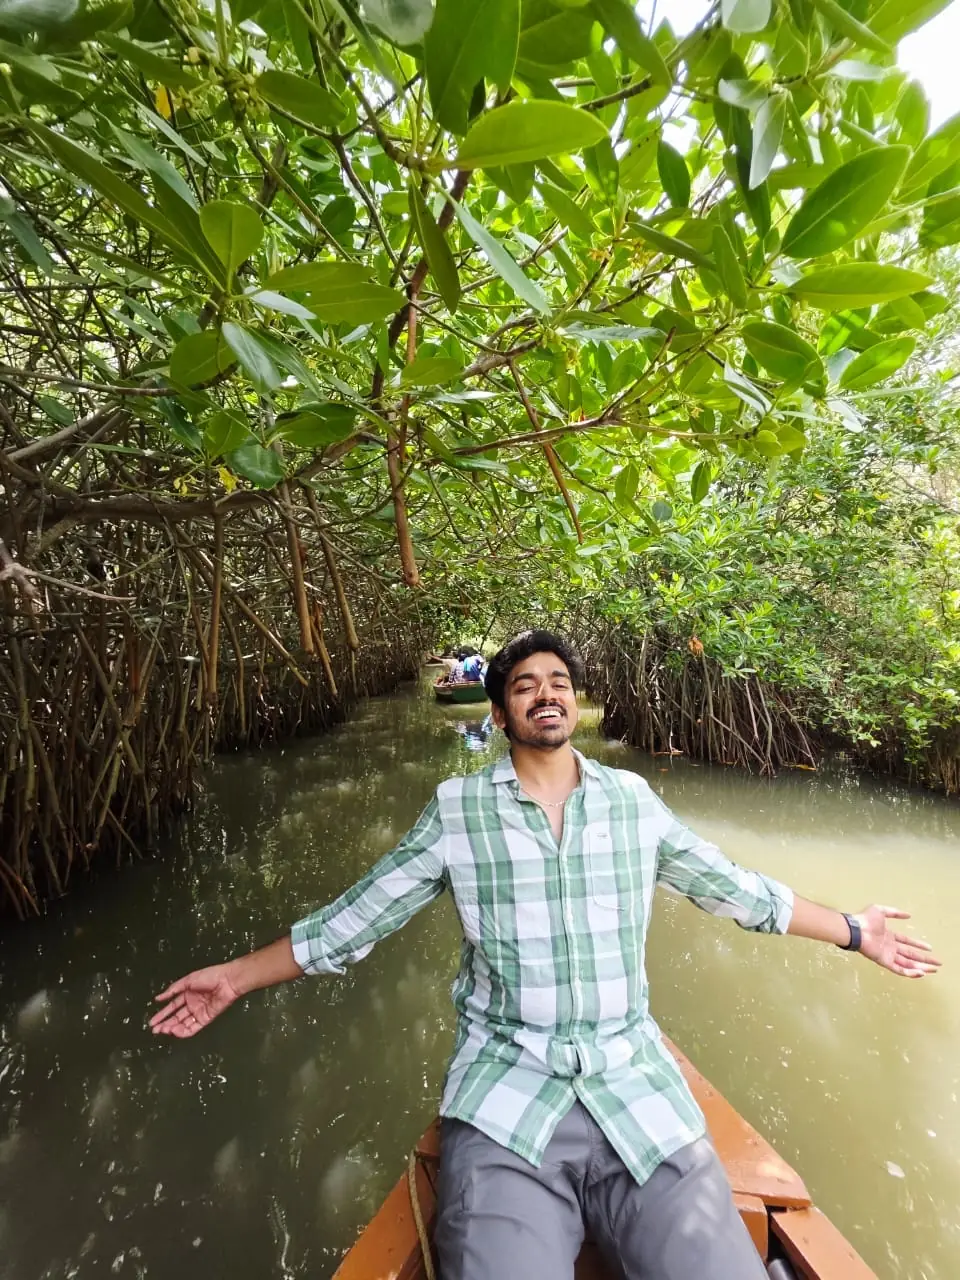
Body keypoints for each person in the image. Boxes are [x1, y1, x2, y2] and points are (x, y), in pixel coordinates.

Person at [150, 629, 940, 1280]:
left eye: (558, 681)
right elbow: (354, 921)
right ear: (500, 713)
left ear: (576, 701)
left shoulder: (633, 803)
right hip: (507, 1097)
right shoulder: (458, 810)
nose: (545, 693)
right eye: (525, 685)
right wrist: (236, 977)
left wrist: (856, 931)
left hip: (636, 1091)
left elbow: (737, 891)